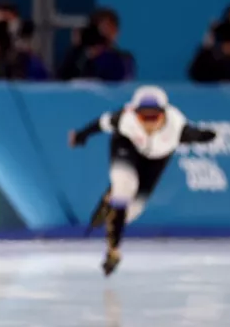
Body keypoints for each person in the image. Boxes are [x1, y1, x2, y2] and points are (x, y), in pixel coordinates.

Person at [68, 86, 217, 276]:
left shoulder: (177, 126)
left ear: (164, 114)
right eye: (142, 116)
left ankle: (109, 202)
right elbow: (100, 124)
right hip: (126, 146)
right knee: (124, 187)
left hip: (156, 160)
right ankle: (113, 251)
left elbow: (195, 134)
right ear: (134, 112)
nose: (147, 122)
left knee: (131, 212)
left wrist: (203, 136)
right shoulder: (124, 118)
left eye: (153, 117)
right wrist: (81, 136)